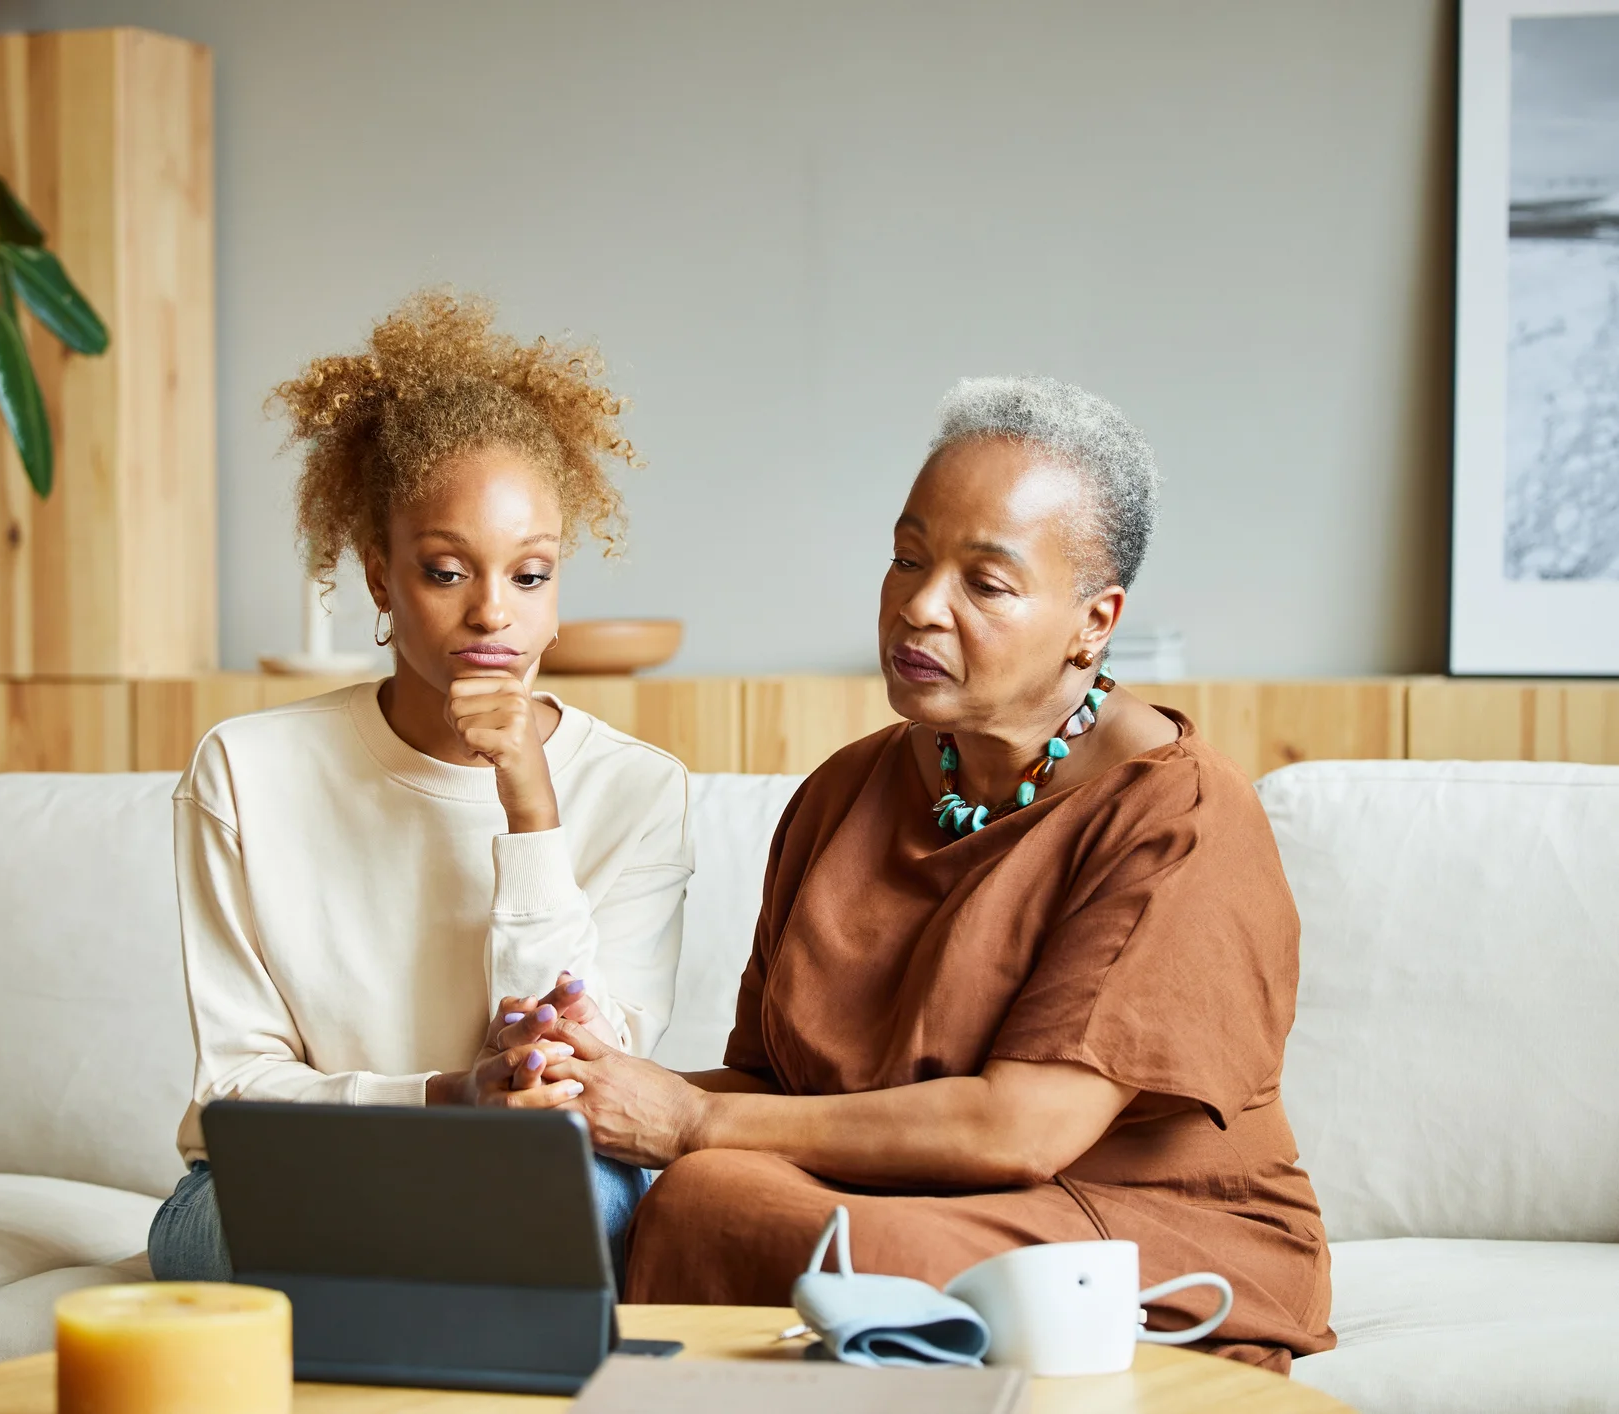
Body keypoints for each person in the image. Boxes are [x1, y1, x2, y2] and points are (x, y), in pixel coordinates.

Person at [532, 376, 1334, 1371]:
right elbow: (774, 1088)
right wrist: (590, 1085)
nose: (917, 606)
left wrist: (693, 1119)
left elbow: (1021, 1128)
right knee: (688, 1193)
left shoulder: (1175, 810)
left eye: (983, 583)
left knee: (727, 1198)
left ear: (1094, 619)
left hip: (1124, 1227)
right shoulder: (843, 792)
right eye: (906, 558)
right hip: (901, 1196)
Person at [149, 290, 691, 1285]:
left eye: (530, 575)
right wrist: (446, 1097)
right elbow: (235, 1085)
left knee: (575, 1200)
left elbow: (579, 1078)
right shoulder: (246, 769)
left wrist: (529, 806)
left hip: (545, 1176)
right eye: (445, 570)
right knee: (228, 1231)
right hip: (299, 1177)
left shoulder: (637, 792)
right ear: (375, 576)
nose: (492, 612)